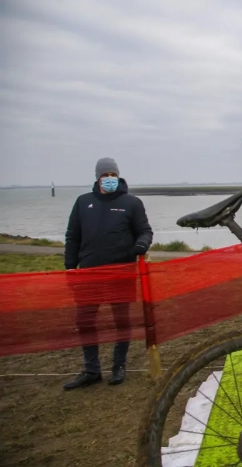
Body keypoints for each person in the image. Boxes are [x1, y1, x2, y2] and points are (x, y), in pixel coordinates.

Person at [62, 157, 153, 390]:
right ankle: (91, 370)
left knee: (121, 320)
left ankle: (118, 366)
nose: (109, 178)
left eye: (113, 174)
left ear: (118, 176)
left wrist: (141, 246)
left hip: (120, 272)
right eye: (105, 175)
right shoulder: (83, 203)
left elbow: (144, 231)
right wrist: (70, 268)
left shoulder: (132, 203)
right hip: (88, 275)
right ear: (97, 177)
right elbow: (72, 236)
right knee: (84, 321)